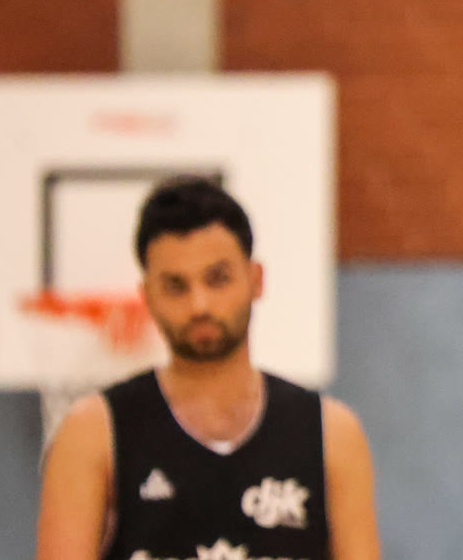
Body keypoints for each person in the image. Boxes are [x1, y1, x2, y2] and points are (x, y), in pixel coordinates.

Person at [35, 176, 381, 560]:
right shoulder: (93, 434)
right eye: (176, 286)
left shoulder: (331, 434)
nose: (199, 304)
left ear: (256, 279)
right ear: (147, 296)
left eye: (218, 279)